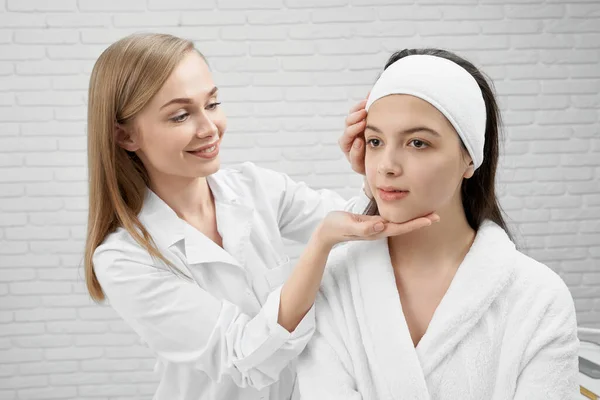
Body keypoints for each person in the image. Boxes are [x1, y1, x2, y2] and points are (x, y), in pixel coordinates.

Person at [83, 33, 437, 400]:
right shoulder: (123, 258)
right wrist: (319, 247)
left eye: (213, 103)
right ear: (125, 136)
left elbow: (352, 223)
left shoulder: (256, 188)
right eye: (180, 115)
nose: (209, 128)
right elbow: (245, 359)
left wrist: (372, 173)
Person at [296, 48, 580, 399]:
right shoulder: (332, 283)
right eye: (375, 141)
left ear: (469, 157)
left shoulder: (538, 297)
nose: (387, 165)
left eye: (418, 143)